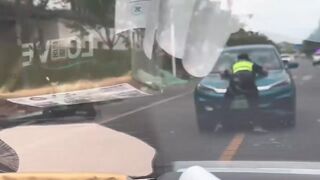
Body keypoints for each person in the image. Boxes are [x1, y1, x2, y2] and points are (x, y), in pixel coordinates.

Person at [222, 53, 268, 132]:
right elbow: (263, 72)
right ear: (248, 58)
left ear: (238, 59)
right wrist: (265, 71)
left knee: (226, 103)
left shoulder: (234, 65)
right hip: (249, 85)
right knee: (254, 105)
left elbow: (225, 74)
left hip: (235, 86)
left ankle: (221, 124)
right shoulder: (251, 64)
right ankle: (257, 126)